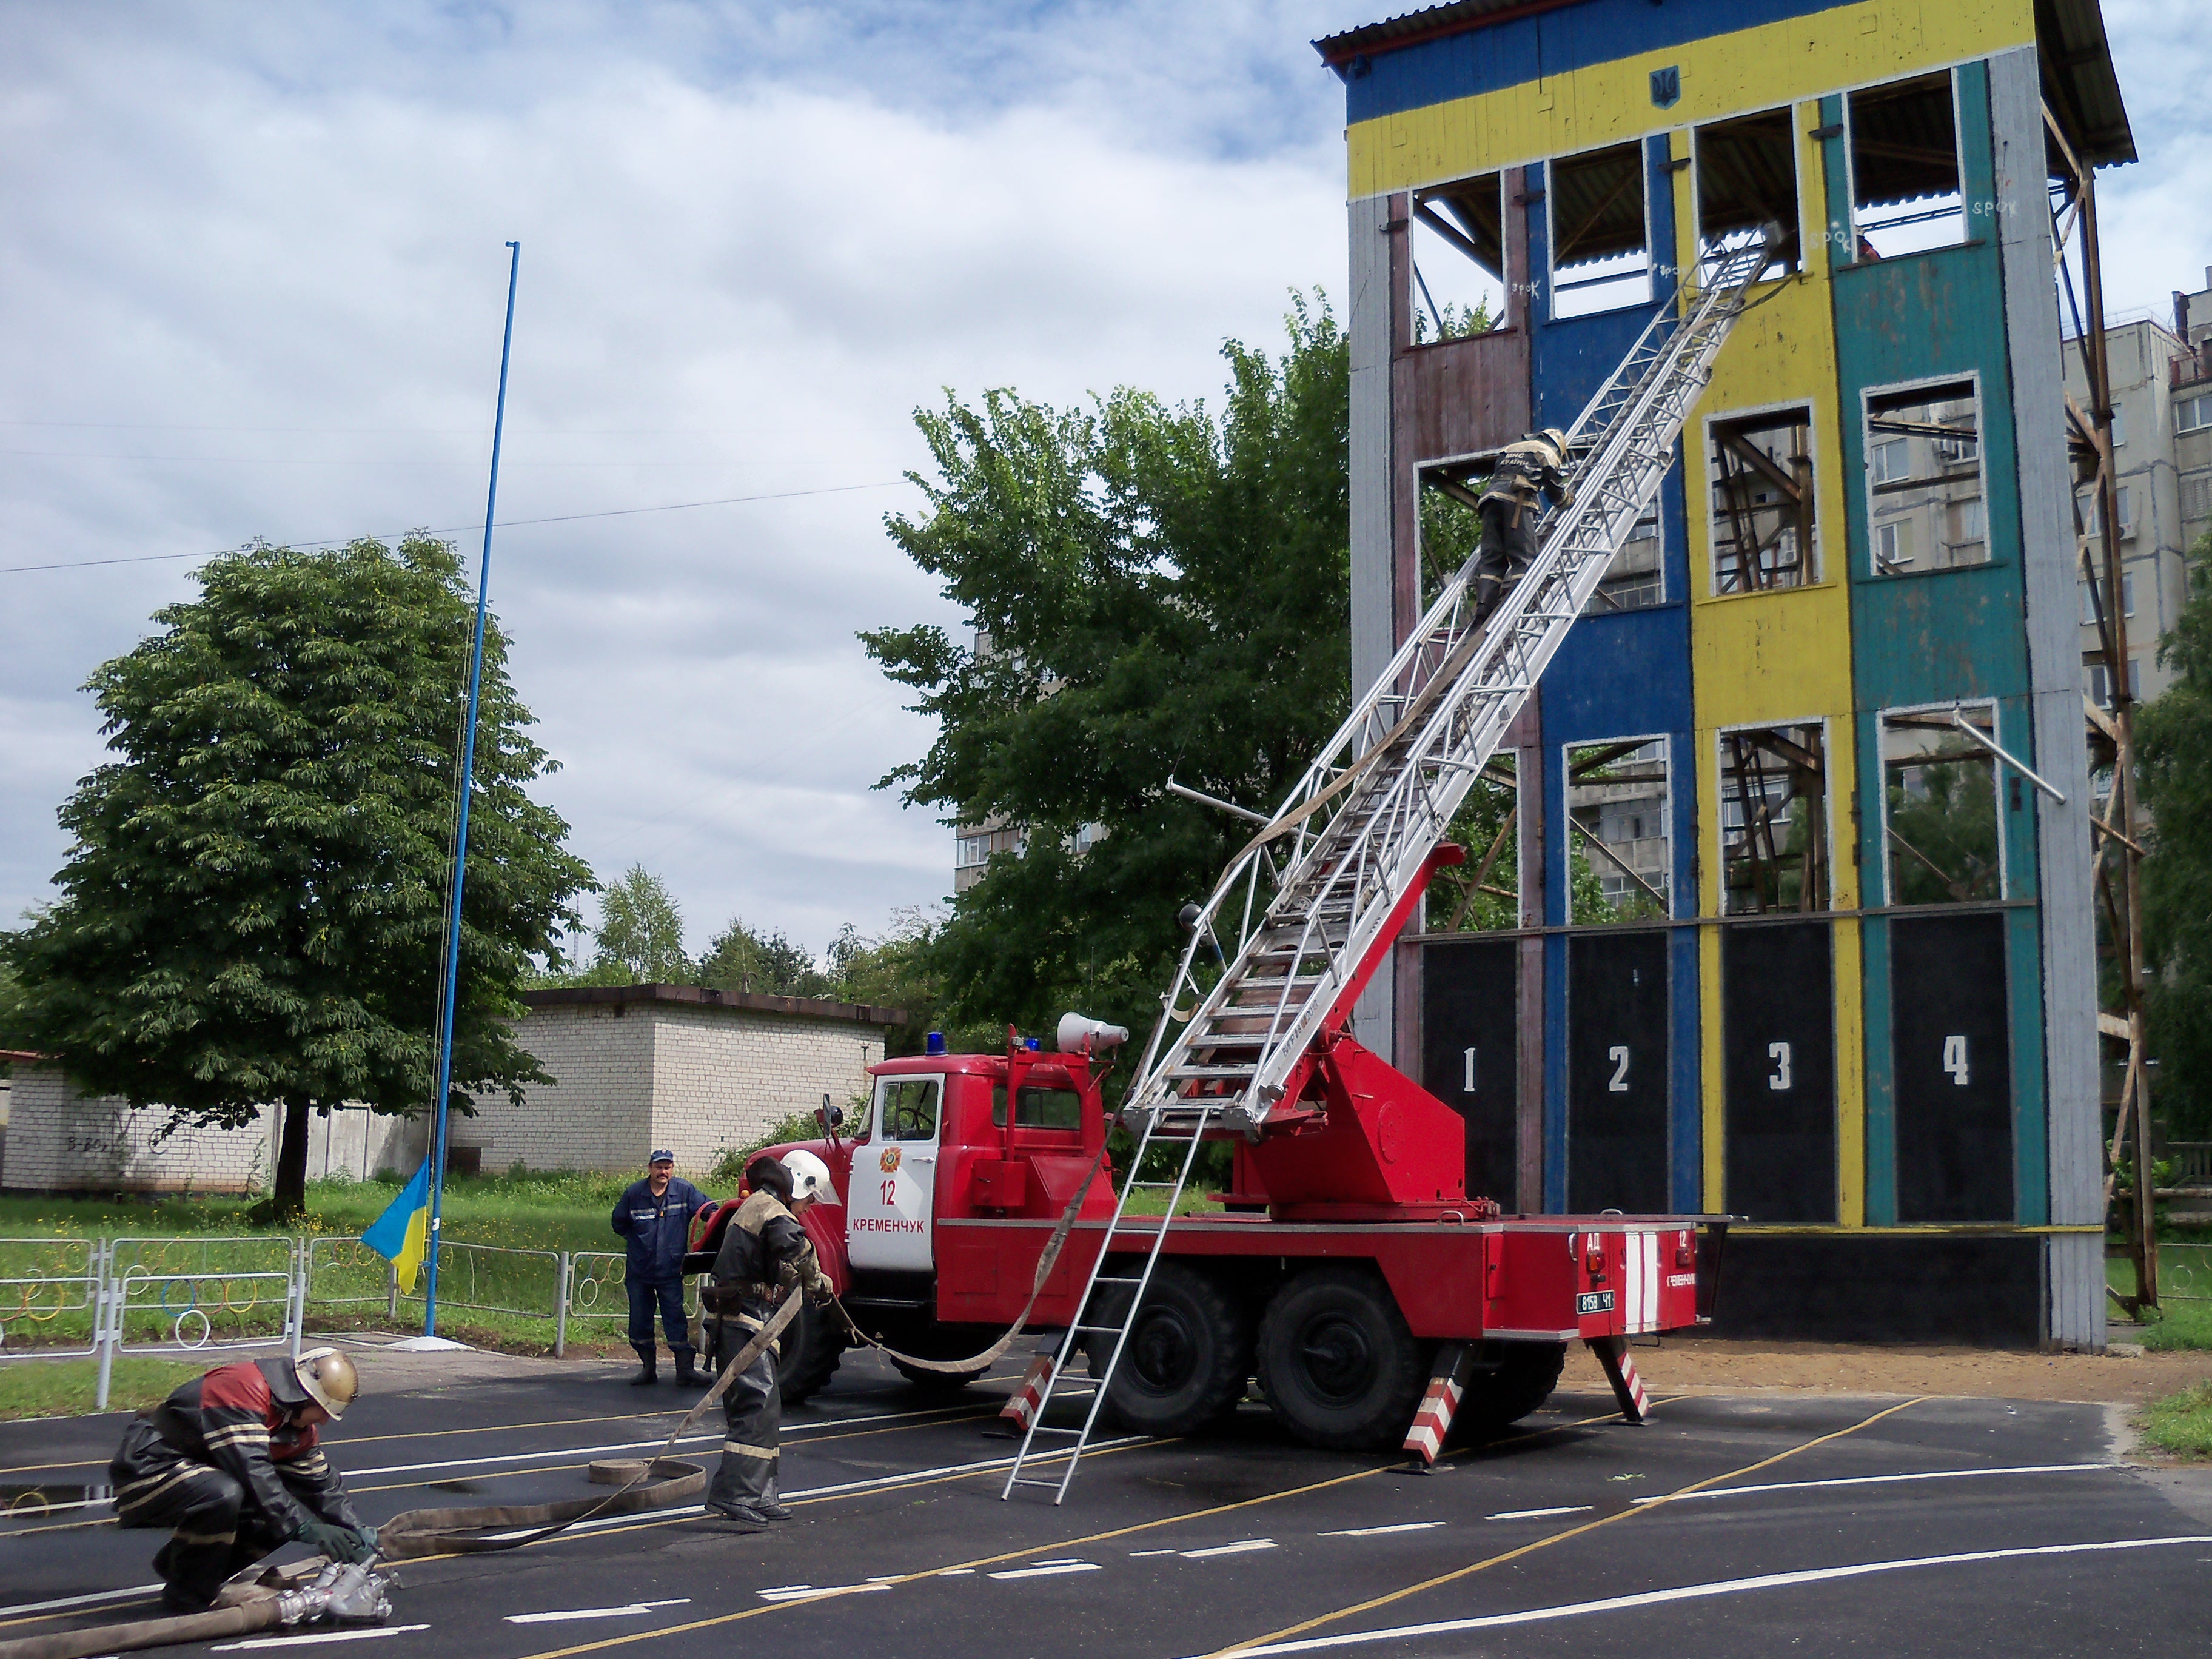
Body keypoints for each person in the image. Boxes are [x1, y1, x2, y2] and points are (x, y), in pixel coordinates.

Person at [111, 1347, 374, 1613]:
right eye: (322, 1411)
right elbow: (252, 1472)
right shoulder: (242, 1388)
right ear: (303, 1397)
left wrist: (355, 1529)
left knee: (274, 1515)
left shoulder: (296, 1426)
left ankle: (186, 1570)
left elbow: (321, 1483)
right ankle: (186, 1598)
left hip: (202, 1471)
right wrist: (305, 1527)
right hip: (150, 1467)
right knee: (229, 1495)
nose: (325, 1421)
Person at [701, 1149, 835, 1530]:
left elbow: (776, 1259)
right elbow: (796, 1248)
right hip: (742, 1321)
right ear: (798, 1183)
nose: (808, 1208)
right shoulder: (770, 1210)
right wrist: (817, 1280)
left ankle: (760, 1494)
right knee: (754, 1405)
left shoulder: (764, 1207)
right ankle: (735, 1495)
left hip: (751, 1321)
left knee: (767, 1406)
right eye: (810, 1199)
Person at [611, 1150, 718, 1387]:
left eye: (668, 1167)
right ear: (650, 1168)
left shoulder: (683, 1191)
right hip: (640, 1271)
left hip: (670, 1270)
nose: (663, 1172)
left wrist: (713, 1219)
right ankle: (648, 1370)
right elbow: (619, 1222)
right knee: (640, 1321)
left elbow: (709, 1208)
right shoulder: (634, 1194)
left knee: (675, 1319)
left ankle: (685, 1372)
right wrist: (637, 1242)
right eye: (659, 1167)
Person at [1472, 427, 1576, 626]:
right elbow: (1554, 489)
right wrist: (1567, 501)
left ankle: (1483, 609)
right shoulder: (1546, 452)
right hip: (1516, 501)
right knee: (1524, 558)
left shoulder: (1510, 449)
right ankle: (1521, 607)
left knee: (1492, 560)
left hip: (1489, 500)